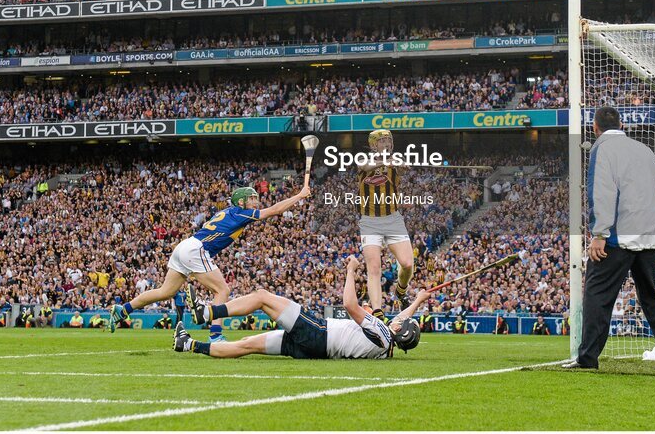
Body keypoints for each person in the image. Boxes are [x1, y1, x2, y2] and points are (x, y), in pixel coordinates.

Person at [563, 106, 655, 370]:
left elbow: (603, 191)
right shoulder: (643, 149)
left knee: (598, 296)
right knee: (651, 297)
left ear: (595, 128)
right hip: (651, 238)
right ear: (622, 124)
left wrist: (599, 233)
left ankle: (587, 359)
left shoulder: (602, 149)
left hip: (618, 237)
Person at [110, 183, 312, 342]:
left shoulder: (231, 212)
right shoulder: (241, 212)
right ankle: (216, 335)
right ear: (241, 201)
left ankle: (123, 309)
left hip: (184, 246)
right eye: (252, 198)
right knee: (222, 291)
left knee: (166, 292)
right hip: (196, 249)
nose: (255, 202)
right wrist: (300, 195)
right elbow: (275, 210)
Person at [173, 256, 427, 360]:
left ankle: (207, 313)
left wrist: (351, 271)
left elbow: (350, 304)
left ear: (399, 330)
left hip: (317, 332)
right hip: (315, 350)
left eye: (401, 323)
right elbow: (402, 321)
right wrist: (417, 301)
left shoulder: (383, 332)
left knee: (262, 296)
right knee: (247, 344)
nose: (397, 319)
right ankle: (190, 345)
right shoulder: (387, 347)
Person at [357, 129, 414, 321]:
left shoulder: (395, 160)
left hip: (393, 218)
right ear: (373, 145)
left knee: (407, 264)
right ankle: (378, 311)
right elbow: (364, 167)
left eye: (388, 141)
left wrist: (401, 163)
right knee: (374, 268)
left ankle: (401, 290)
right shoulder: (363, 159)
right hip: (370, 221)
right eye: (382, 142)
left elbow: (404, 167)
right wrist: (385, 161)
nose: (386, 144)